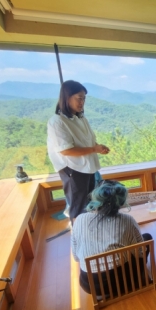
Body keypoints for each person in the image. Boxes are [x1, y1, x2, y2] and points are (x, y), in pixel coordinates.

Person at [71, 180, 152, 296]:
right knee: (147, 238)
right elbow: (140, 253)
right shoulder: (127, 220)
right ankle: (141, 276)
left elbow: (76, 257)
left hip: (89, 285)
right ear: (121, 201)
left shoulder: (80, 219)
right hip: (123, 281)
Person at [47, 80, 110, 223]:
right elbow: (66, 150)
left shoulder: (80, 118)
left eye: (84, 99)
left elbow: (88, 141)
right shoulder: (57, 121)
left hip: (87, 167)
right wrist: (94, 149)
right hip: (73, 169)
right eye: (79, 98)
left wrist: (98, 147)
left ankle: (88, 232)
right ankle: (79, 238)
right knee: (78, 206)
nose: (82, 102)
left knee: (89, 203)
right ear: (66, 97)